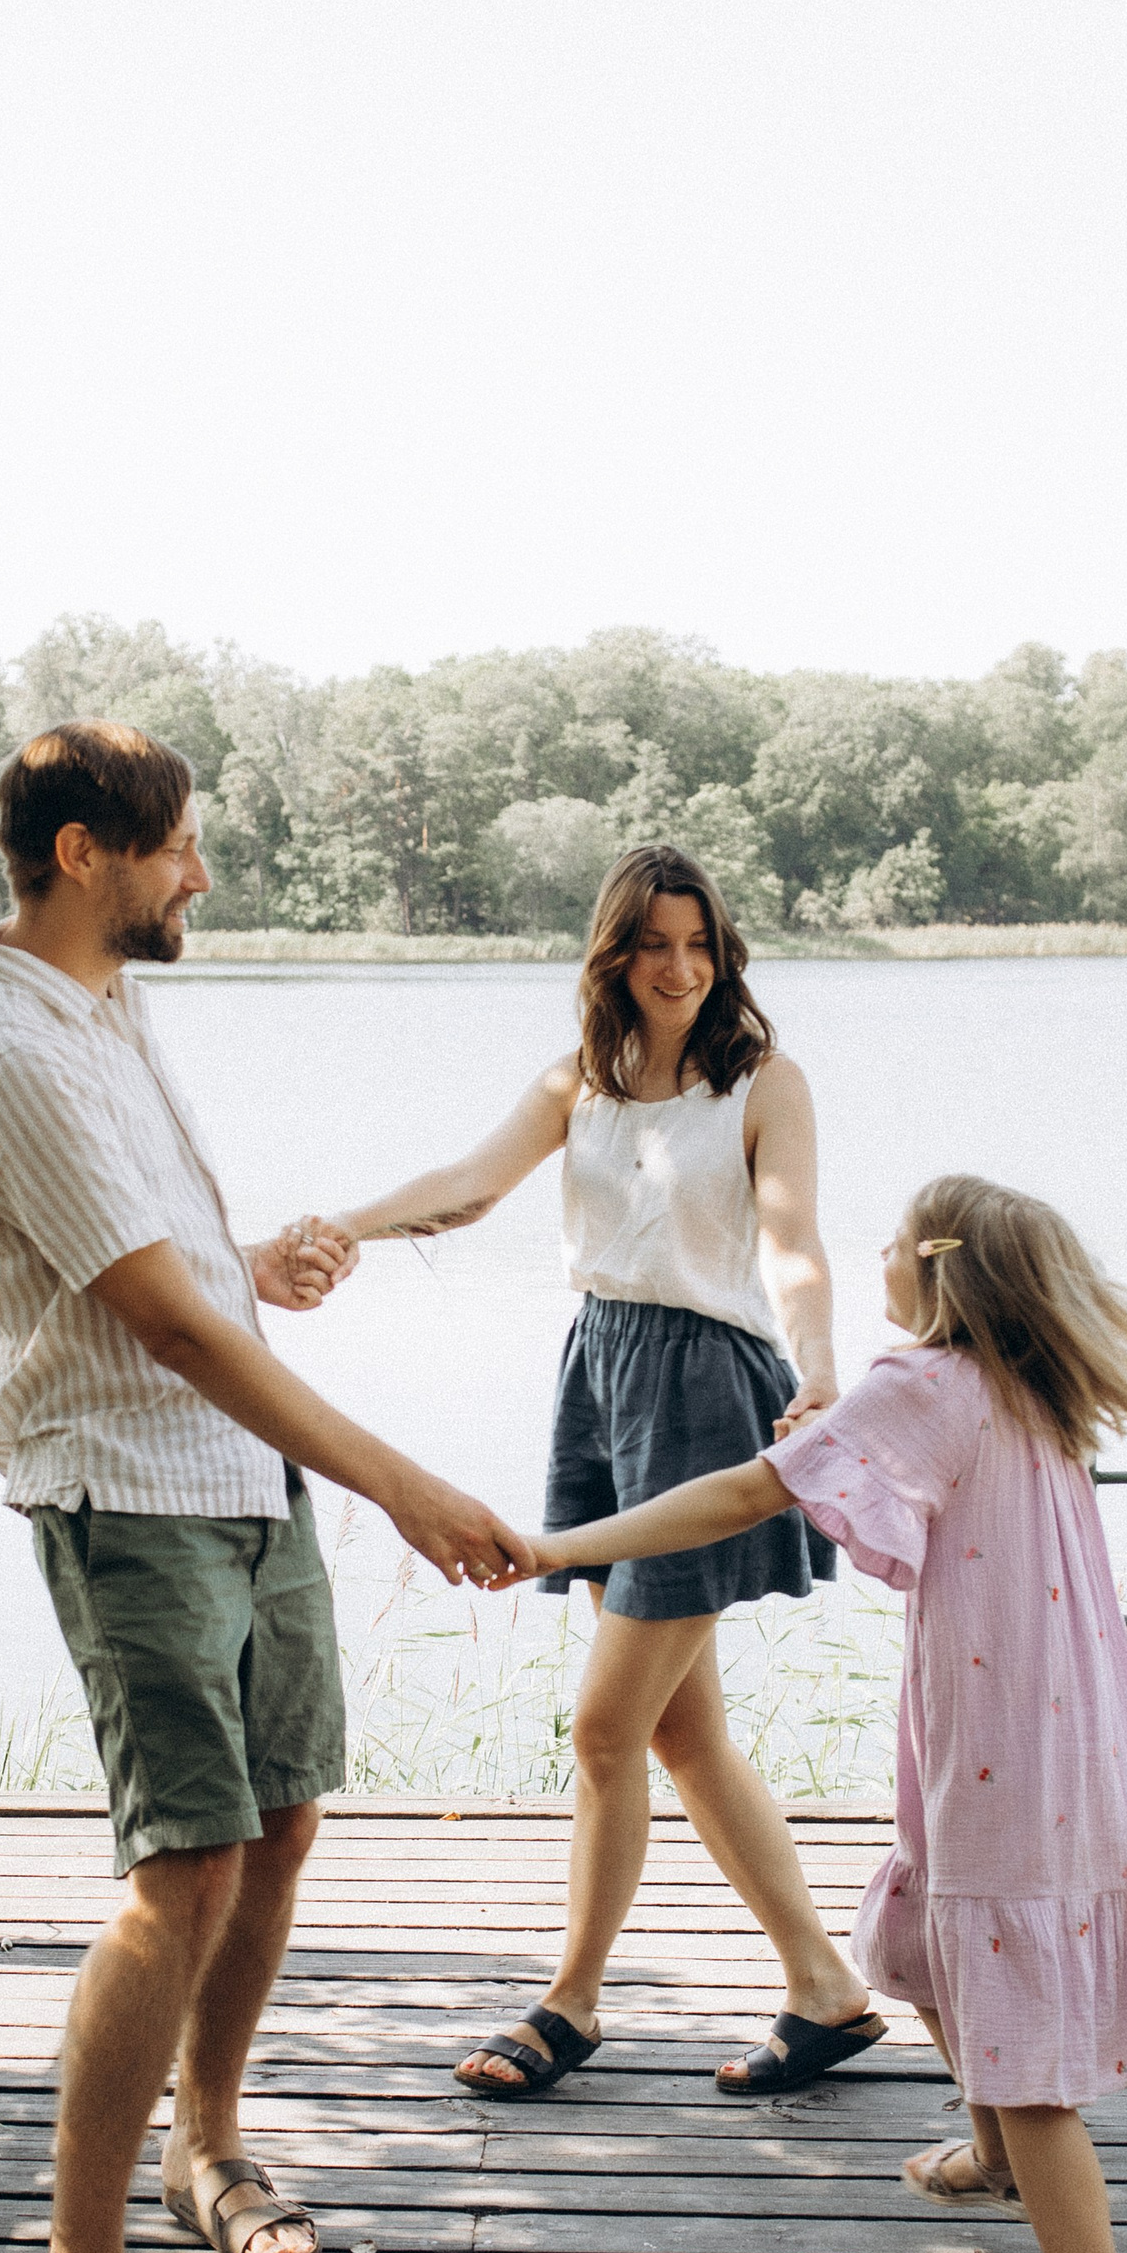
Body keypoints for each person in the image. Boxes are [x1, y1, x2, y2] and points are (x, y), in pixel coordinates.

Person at [0, 721, 523, 2253]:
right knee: (180, 1864)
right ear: (80, 852)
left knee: (276, 1822)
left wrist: (250, 1257)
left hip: (235, 1475)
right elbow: (165, 1330)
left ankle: (211, 2148)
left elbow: (165, 1271)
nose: (203, 874)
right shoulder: (13, 1055)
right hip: (131, 1490)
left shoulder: (106, 1006)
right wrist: (403, 1481)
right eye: (180, 845)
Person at [499, 1169, 1127, 2253]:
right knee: (937, 1930)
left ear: (938, 1265)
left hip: (1001, 1750)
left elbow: (747, 1492)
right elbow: (853, 1463)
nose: (869, 1250)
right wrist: (832, 1417)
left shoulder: (922, 1386)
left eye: (888, 1238)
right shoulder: (1018, 1383)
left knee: (1026, 2044)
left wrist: (565, 1544)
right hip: (1056, 1730)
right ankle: (988, 2149)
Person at [318, 842, 881, 2101]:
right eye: (655, 944)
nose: (681, 968)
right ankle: (826, 1988)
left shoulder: (762, 1081)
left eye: (700, 943)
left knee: (604, 1725)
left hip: (703, 1392)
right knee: (683, 1733)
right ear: (614, 953)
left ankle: (570, 2003)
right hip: (604, 1378)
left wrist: (824, 1366)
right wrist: (336, 1228)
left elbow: (791, 1239)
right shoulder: (580, 1078)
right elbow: (466, 1186)